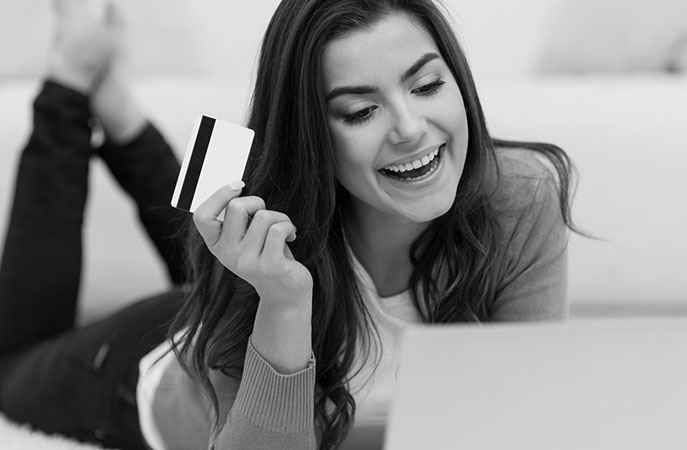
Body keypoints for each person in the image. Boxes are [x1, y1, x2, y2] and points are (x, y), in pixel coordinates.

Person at [0, 0, 578, 449]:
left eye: (427, 85)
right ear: (315, 139)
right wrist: (282, 301)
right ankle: (71, 82)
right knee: (10, 369)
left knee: (221, 221)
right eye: (360, 111)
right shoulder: (270, 245)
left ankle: (120, 111)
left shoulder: (522, 194)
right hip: (145, 368)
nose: (410, 127)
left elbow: (530, 414)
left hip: (239, 282)